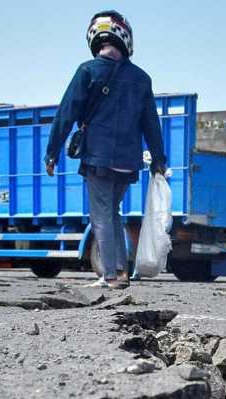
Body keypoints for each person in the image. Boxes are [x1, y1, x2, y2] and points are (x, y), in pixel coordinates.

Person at [45, 10, 167, 288]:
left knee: (100, 215)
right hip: (128, 161)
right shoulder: (142, 78)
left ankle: (110, 276)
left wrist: (51, 152)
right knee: (113, 211)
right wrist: (158, 159)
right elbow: (151, 123)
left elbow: (65, 113)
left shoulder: (87, 70)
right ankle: (121, 271)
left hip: (98, 158)